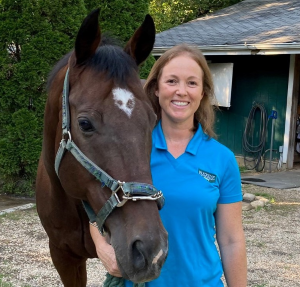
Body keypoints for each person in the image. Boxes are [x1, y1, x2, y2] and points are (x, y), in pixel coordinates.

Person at [90, 44, 247, 286]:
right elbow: (91, 206)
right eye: (172, 81)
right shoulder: (128, 149)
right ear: (155, 88)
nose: (181, 91)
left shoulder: (222, 159)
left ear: (203, 92)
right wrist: (102, 247)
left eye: (192, 83)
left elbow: (231, 240)